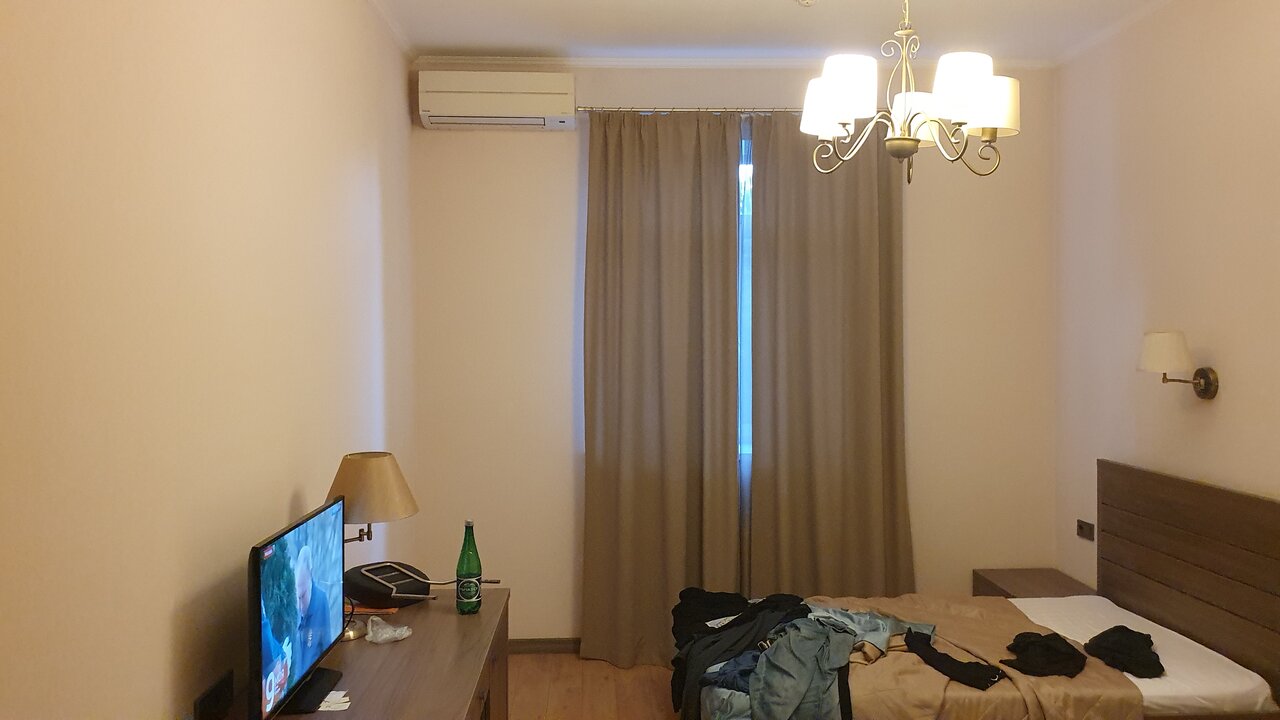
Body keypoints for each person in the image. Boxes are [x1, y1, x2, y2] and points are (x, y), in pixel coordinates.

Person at [292, 544, 333, 675]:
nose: (299, 605)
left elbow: (328, 648)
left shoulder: (321, 599)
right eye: (297, 597)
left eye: (303, 596)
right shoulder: (292, 608)